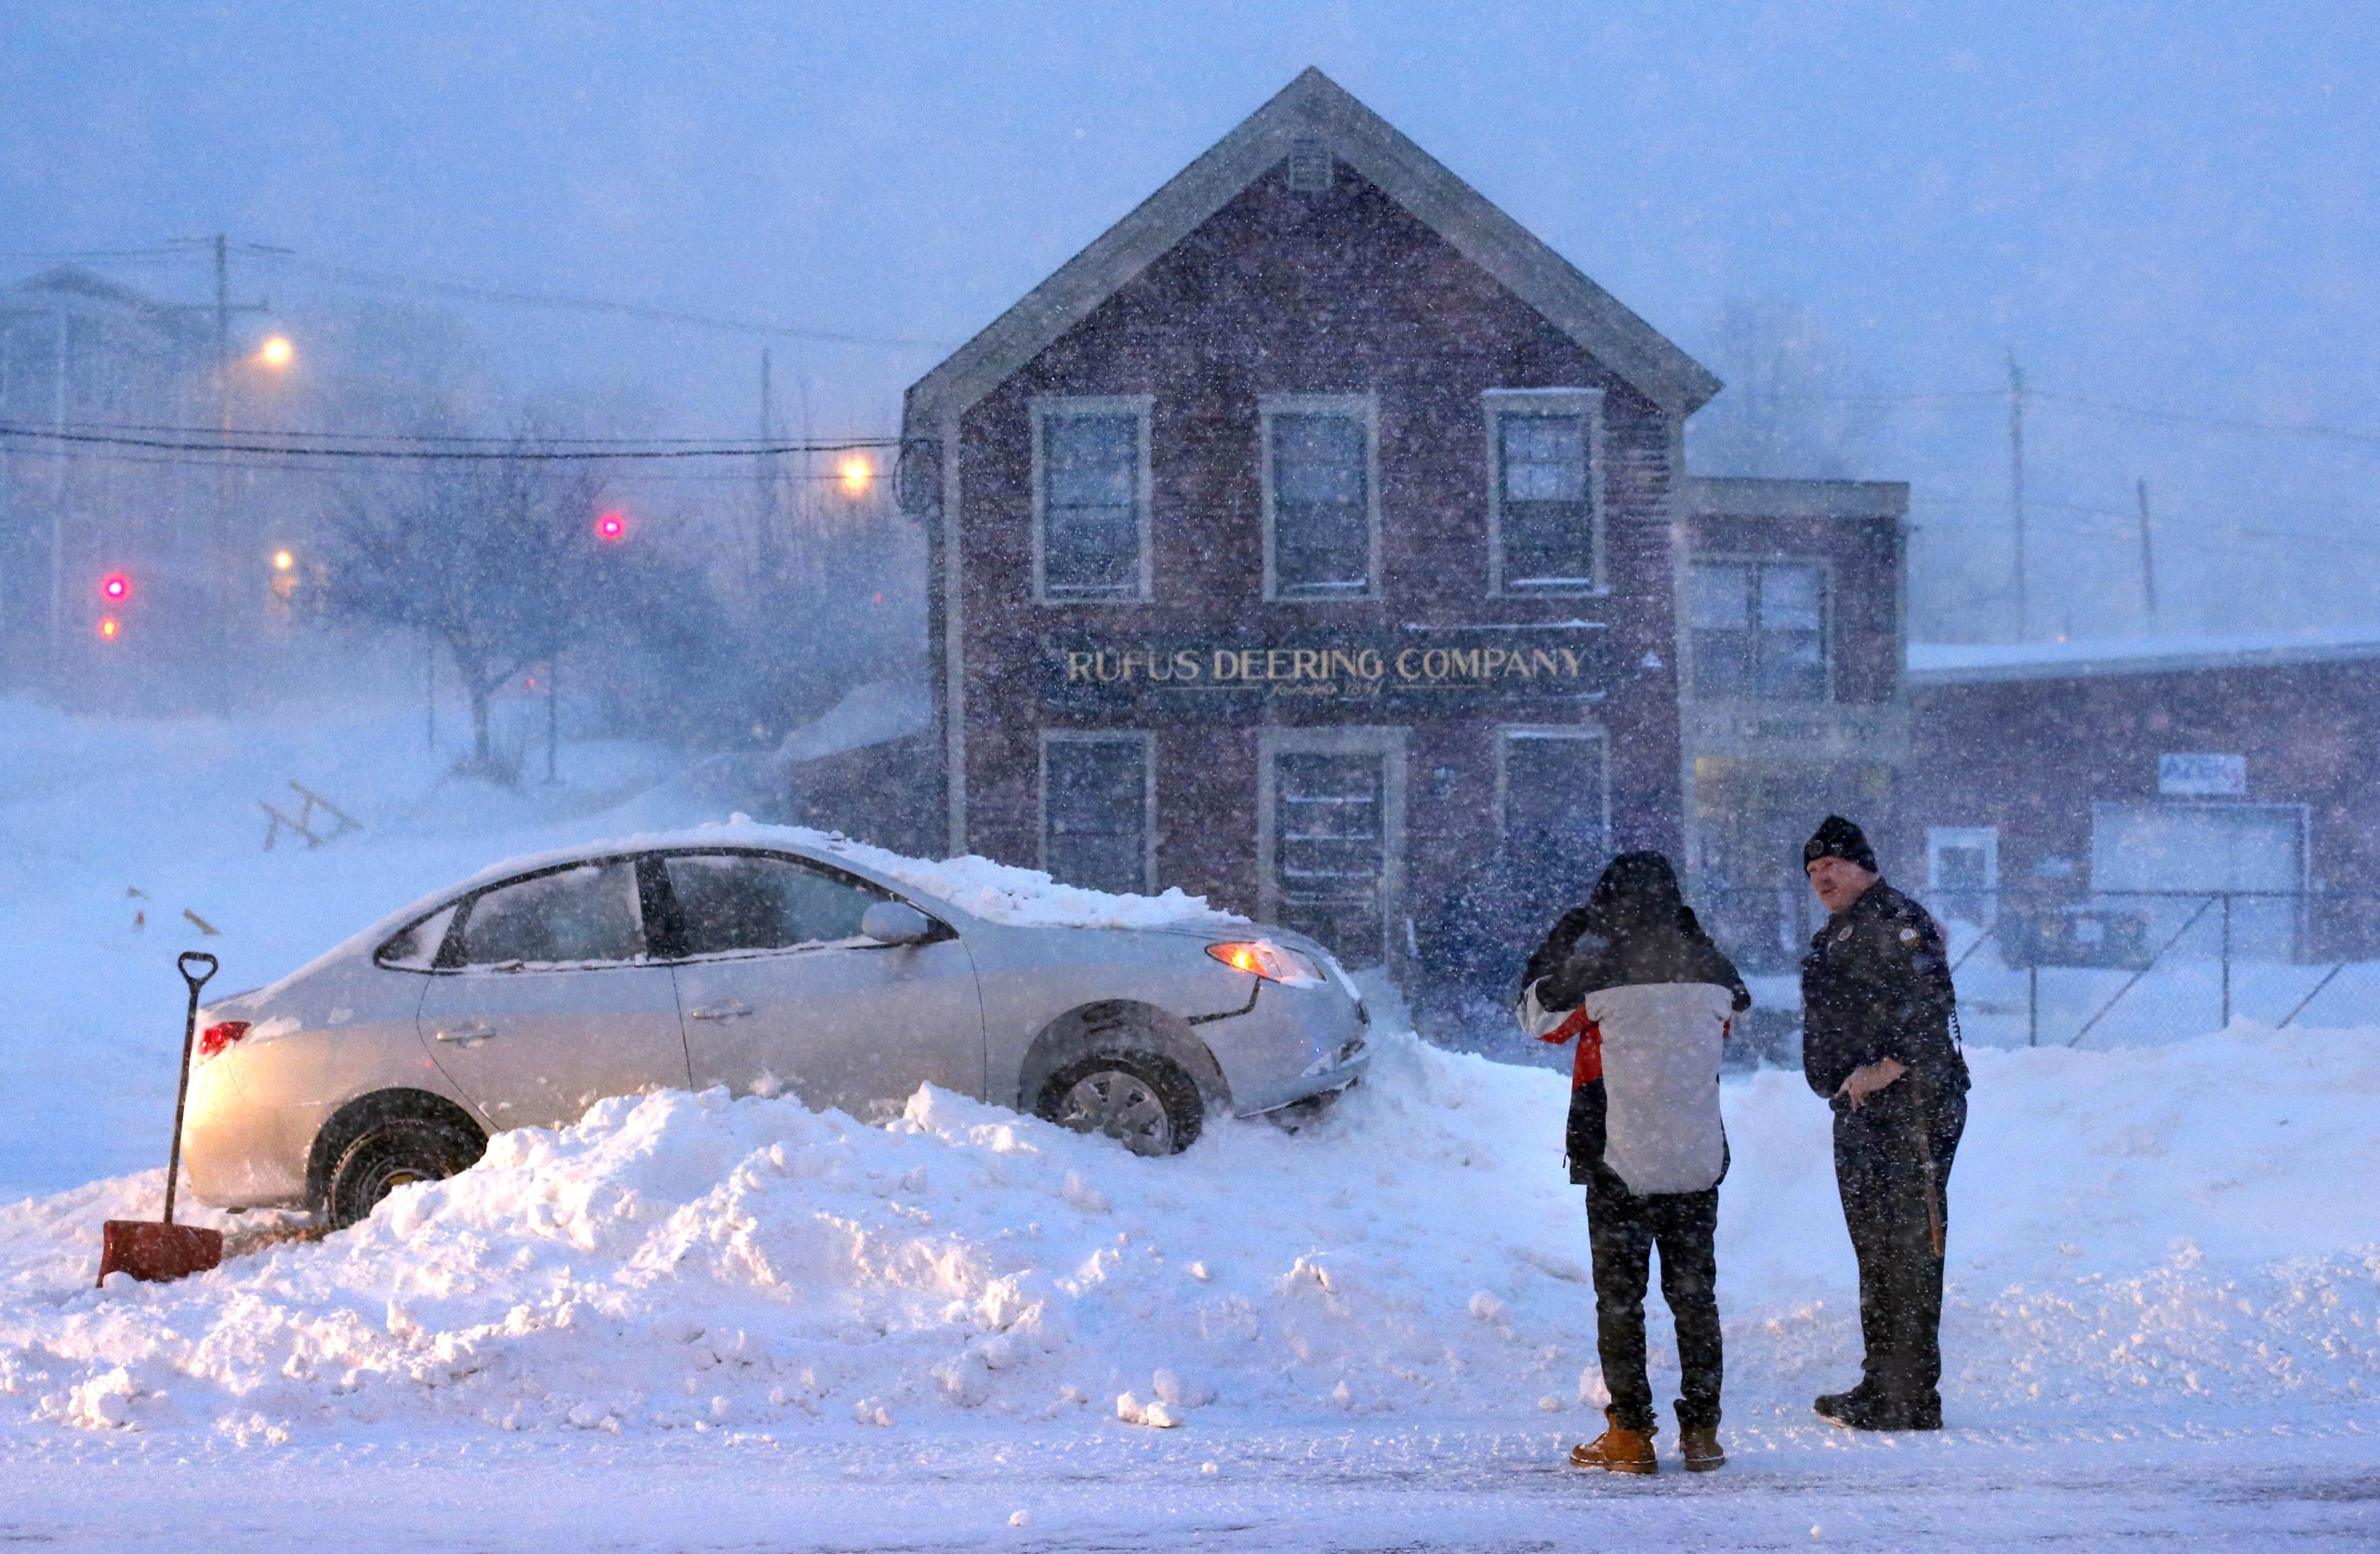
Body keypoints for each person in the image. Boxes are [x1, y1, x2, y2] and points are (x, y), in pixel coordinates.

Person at [1517, 851, 1751, 1475]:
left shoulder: (1598, 967)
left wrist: (1561, 942)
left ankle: (1630, 1437)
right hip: (1697, 1159)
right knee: (1694, 1298)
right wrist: (1691, 941)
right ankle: (1702, 1434)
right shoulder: (1710, 967)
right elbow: (1739, 1013)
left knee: (1621, 1301)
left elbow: (1536, 1018)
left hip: (1618, 1159)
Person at [1799, 815, 1971, 1431]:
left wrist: (1885, 1068)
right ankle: (1884, 1384)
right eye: (1813, 872)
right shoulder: (1843, 930)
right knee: (1877, 1251)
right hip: (1866, 1113)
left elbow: (1930, 1006)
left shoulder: (1895, 919)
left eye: (1832, 866)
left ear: (1863, 864)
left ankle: (1910, 1395)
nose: (1821, 879)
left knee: (1908, 1251)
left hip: (1913, 1108)